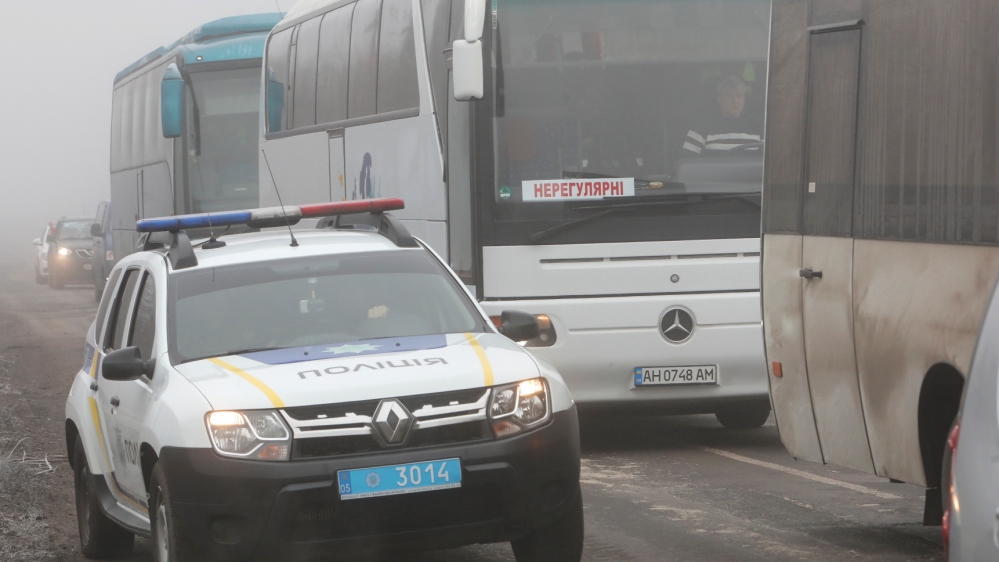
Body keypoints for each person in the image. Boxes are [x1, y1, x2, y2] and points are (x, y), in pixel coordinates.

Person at [683, 75, 762, 155]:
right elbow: (688, 162)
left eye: (739, 96)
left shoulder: (758, 127)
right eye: (729, 96)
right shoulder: (700, 127)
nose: (735, 101)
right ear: (719, 98)